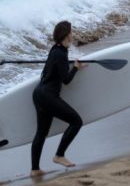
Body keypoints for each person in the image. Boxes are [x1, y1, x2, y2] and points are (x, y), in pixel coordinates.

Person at [31, 21, 87, 177]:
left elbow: (53, 70)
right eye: (71, 31)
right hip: (48, 96)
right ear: (66, 34)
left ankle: (35, 169)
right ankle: (59, 155)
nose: (72, 34)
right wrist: (75, 68)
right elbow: (66, 80)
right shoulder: (61, 53)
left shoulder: (55, 50)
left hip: (38, 94)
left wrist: (70, 65)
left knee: (41, 133)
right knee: (76, 122)